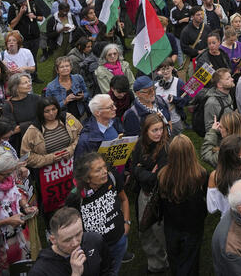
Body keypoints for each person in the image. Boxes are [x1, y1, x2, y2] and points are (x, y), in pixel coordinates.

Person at [66, 152, 130, 276]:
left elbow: (124, 199)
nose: (105, 171)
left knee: (113, 271)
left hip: (118, 241)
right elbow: (71, 226)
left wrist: (126, 223)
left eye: (104, 167)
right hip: (92, 250)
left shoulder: (112, 178)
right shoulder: (75, 197)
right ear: (86, 177)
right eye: (98, 170)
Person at [157, 134, 209, 276]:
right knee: (191, 260)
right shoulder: (201, 174)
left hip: (171, 226)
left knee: (174, 259)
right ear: (192, 152)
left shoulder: (163, 175)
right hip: (193, 226)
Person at [127, 112, 170, 274]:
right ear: (146, 132)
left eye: (161, 129)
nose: (159, 133)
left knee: (160, 232)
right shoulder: (140, 144)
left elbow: (157, 178)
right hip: (144, 194)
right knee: (145, 230)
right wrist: (142, 172)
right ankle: (156, 265)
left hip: (160, 197)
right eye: (154, 130)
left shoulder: (166, 147)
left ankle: (166, 261)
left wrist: (140, 169)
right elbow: (134, 169)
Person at [21, 96, 82, 210]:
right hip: (48, 177)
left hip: (71, 169)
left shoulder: (68, 119)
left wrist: (71, 149)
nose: (51, 113)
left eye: (54, 109)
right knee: (52, 204)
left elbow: (81, 134)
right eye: (47, 111)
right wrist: (50, 158)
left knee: (74, 194)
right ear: (40, 112)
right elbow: (26, 157)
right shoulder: (33, 130)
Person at [29, 206, 114, 276]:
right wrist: (76, 274)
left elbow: (108, 270)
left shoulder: (95, 240)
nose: (75, 243)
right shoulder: (40, 271)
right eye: (67, 240)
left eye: (78, 234)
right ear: (53, 240)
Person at [75, 93, 124, 158]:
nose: (115, 108)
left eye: (114, 104)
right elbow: (81, 165)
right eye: (110, 107)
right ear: (98, 112)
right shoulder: (86, 139)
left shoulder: (115, 122)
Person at [44, 55, 89, 120]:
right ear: (57, 70)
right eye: (62, 67)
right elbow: (48, 107)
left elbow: (87, 93)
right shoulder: (51, 86)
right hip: (63, 118)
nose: (65, 68)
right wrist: (65, 102)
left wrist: (82, 96)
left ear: (71, 68)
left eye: (67, 66)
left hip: (81, 115)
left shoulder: (78, 78)